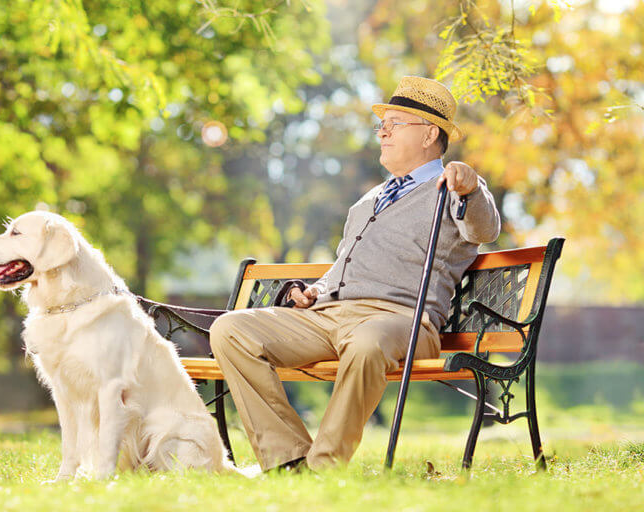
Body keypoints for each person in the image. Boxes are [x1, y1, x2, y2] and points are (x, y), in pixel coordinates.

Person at [209, 76, 501, 472]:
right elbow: (344, 264)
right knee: (231, 329)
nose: (382, 131)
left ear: (430, 133)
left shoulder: (450, 185)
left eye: (395, 123)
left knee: (367, 341)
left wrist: (470, 188)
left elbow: (483, 230)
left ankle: (323, 467)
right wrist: (315, 291)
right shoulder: (370, 198)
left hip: (402, 322)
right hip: (329, 316)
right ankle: (288, 460)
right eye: (382, 124)